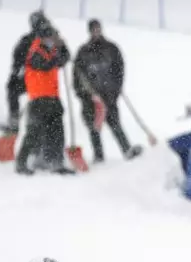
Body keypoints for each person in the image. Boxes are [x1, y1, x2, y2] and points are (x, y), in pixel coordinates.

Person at [73, 19, 141, 163]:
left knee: (115, 124)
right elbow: (77, 76)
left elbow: (119, 70)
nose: (96, 32)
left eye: (98, 29)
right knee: (93, 127)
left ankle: (127, 150)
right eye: (93, 29)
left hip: (109, 95)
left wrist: (116, 89)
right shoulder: (83, 52)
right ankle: (98, 156)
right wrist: (83, 95)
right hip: (90, 98)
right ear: (89, 31)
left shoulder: (111, 49)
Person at [15, 15, 74, 175]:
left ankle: (56, 162)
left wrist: (62, 45)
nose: (51, 40)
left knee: (57, 132)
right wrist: (57, 53)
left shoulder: (52, 50)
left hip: (53, 98)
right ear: (42, 37)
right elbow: (46, 64)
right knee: (33, 133)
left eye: (52, 38)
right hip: (39, 99)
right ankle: (21, 163)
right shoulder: (36, 51)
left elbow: (66, 58)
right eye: (49, 37)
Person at [0, 12, 46, 135]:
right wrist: (15, 73)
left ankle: (20, 124)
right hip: (36, 80)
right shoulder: (29, 40)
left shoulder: (47, 39)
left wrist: (15, 73)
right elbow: (18, 58)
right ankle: (15, 122)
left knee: (14, 90)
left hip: (43, 82)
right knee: (13, 89)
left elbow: (18, 59)